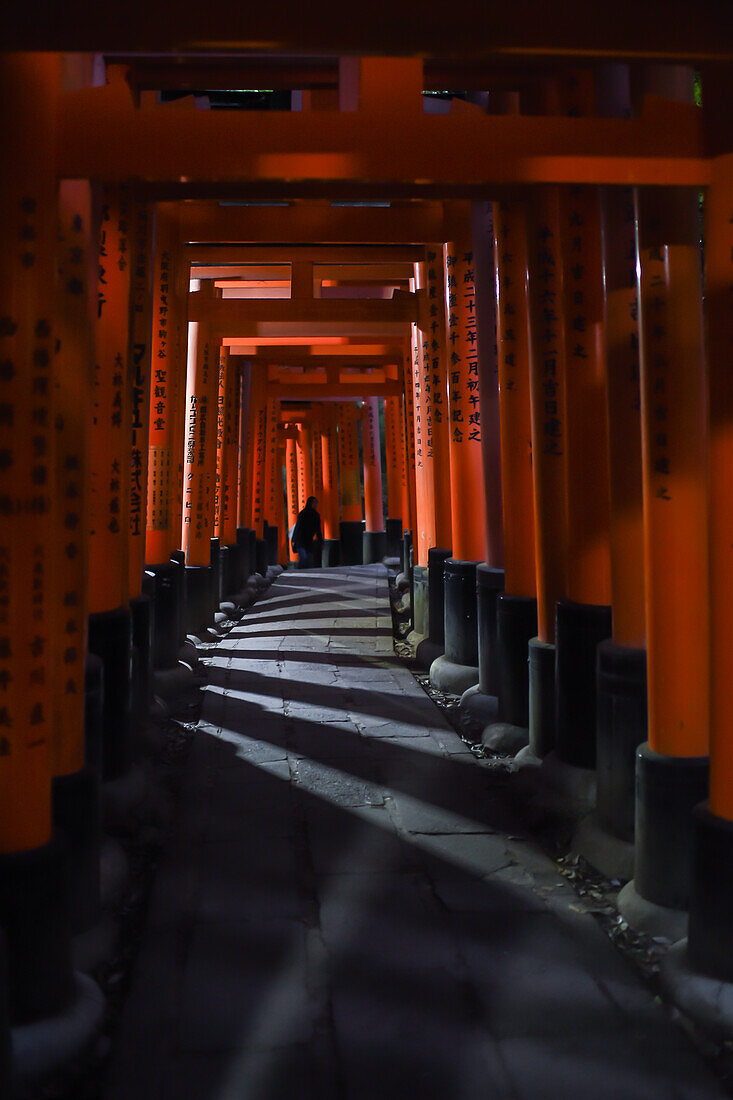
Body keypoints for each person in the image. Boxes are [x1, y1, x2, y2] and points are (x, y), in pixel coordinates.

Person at [291, 496, 322, 568]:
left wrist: (320, 541)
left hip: (308, 540)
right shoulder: (303, 514)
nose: (316, 504)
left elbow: (318, 529)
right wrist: (294, 539)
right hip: (301, 540)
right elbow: (297, 528)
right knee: (304, 559)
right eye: (314, 503)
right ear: (310, 503)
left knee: (309, 560)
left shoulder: (315, 515)